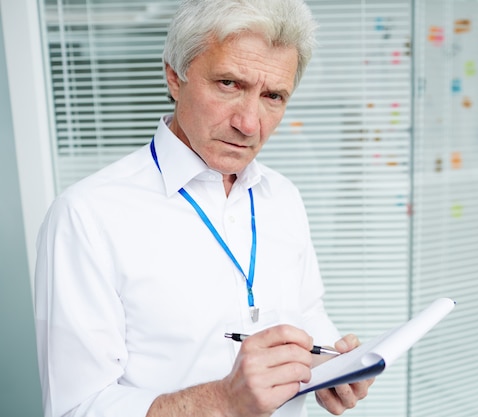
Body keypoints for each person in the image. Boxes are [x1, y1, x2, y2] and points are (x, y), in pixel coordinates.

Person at [33, 0, 374, 416]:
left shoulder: (283, 196)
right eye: (229, 84)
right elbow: (76, 408)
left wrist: (329, 366)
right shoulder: (85, 216)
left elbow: (306, 312)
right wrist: (223, 401)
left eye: (273, 96)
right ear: (174, 77)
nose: (249, 124)